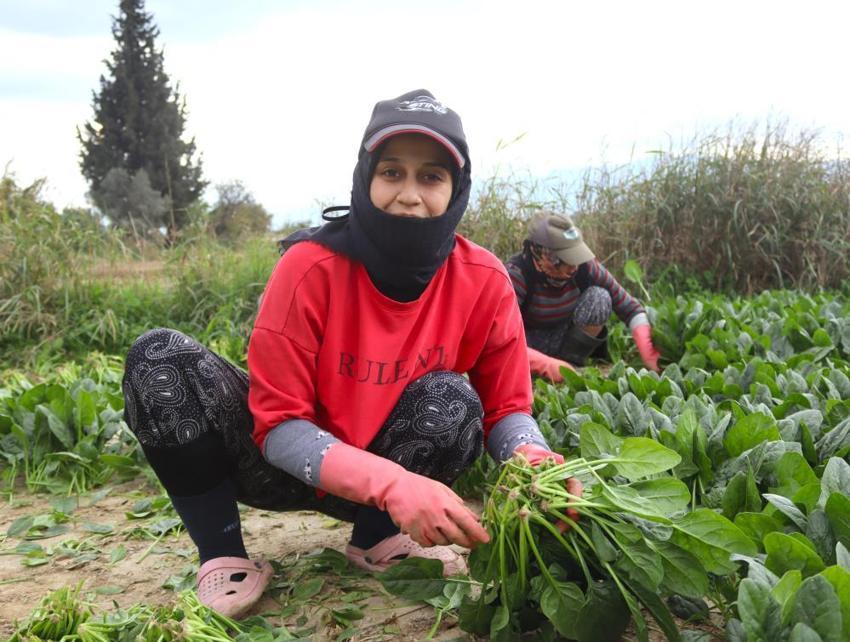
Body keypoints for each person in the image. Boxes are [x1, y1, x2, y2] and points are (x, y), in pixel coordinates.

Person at [121, 89, 580, 619]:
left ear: (457, 189)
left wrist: (535, 459)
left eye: (431, 177)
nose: (410, 194)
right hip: (279, 466)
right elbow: (279, 426)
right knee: (159, 356)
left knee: (454, 398)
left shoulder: (483, 280)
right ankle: (222, 553)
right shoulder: (308, 268)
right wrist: (392, 483)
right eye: (392, 172)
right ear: (366, 178)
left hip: (384, 482)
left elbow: (507, 408)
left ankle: (376, 540)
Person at [506, 211, 661, 382]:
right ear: (542, 254)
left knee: (599, 298)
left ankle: (571, 365)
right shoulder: (516, 275)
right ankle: (541, 371)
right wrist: (544, 364)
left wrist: (648, 348)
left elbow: (628, 307)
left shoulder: (585, 267)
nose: (574, 267)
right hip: (529, 344)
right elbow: (502, 337)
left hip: (563, 336)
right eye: (567, 260)